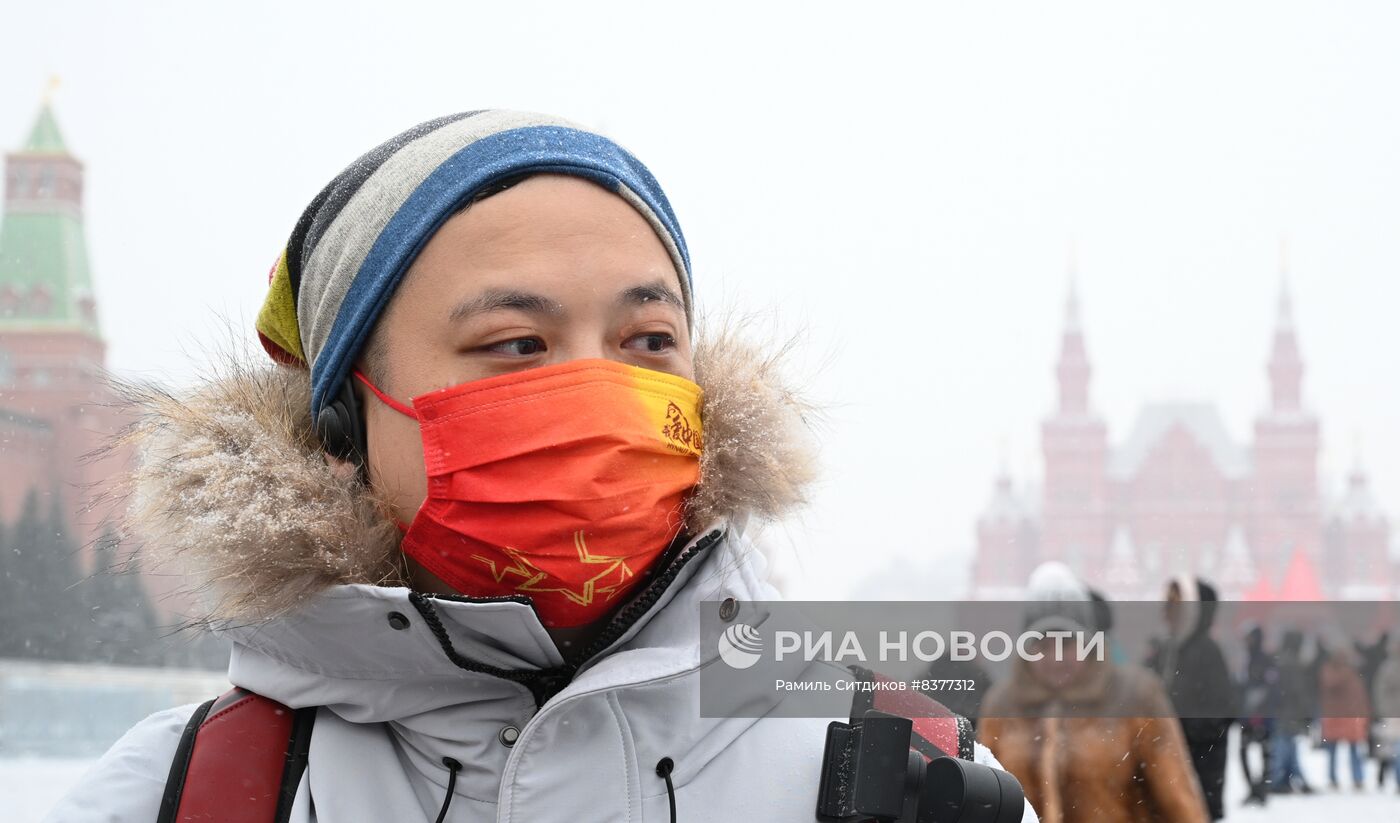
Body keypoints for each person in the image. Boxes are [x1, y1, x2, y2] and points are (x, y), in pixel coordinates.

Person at [43, 110, 1037, 821]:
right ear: (342, 421)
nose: (599, 392)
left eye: (649, 341)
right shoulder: (191, 791)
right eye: (517, 344)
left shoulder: (909, 773)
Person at [979, 563, 1207, 823]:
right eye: (1043, 645)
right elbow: (986, 801)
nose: (1055, 658)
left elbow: (1178, 801)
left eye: (1067, 643)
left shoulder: (1136, 697)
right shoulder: (1001, 705)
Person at [1150, 576, 1234, 820]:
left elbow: (1221, 712)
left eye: (1173, 606)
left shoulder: (1206, 651)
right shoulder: (1169, 649)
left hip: (1199, 766)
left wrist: (1178, 730)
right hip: (1171, 762)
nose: (1166, 612)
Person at [1319, 638, 1371, 790]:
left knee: (1353, 749)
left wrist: (1364, 714)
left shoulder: (1351, 672)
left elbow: (1359, 696)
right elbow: (1330, 683)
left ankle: (1357, 778)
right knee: (1334, 750)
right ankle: (1335, 778)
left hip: (1349, 717)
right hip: (1336, 716)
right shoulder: (1335, 671)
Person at [1236, 624, 1280, 806]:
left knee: (1264, 754)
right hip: (1250, 716)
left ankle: (1261, 790)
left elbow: (1270, 688)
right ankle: (1255, 789)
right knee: (1248, 752)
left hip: (1262, 716)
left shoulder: (1264, 660)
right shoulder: (1247, 659)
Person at [1270, 629, 1316, 794]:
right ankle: (1283, 779)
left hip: (1282, 710)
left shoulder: (1280, 661)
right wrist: (1306, 711)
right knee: (1286, 745)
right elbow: (1298, 691)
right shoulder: (1293, 664)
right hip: (1290, 711)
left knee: (1285, 745)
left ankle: (1284, 778)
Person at [1372, 634, 1400, 794]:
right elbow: (1381, 692)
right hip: (1394, 715)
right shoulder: (1389, 667)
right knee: (1395, 749)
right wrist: (1387, 711)